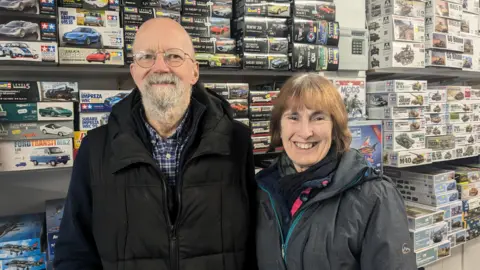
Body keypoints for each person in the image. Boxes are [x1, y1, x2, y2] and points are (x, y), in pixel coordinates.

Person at [54, 18, 257, 270]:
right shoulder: (94, 150)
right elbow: (74, 254)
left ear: (194, 71)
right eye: (147, 57)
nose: (160, 67)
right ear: (134, 72)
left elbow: (256, 247)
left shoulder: (237, 142)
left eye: (173, 56)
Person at [255, 73, 416, 270]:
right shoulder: (263, 191)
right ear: (279, 127)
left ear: (335, 128)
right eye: (293, 117)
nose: (305, 132)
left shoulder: (374, 197)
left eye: (318, 118)